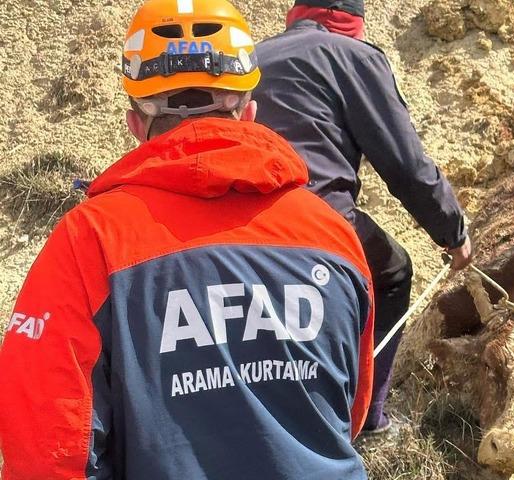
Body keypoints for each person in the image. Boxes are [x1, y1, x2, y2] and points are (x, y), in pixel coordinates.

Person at [0, 0, 375, 478]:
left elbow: (47, 447)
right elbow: (349, 410)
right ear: (252, 111)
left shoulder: (89, 240)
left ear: (136, 123)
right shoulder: (333, 234)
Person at [253, 0, 473, 435]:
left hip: (233, 217)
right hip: (313, 214)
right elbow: (405, 166)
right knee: (392, 272)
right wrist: (453, 233)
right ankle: (367, 418)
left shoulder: (254, 55)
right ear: (353, 21)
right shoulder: (354, 57)